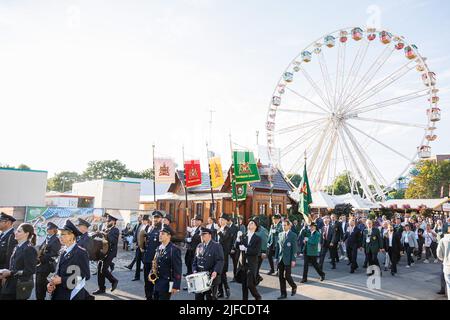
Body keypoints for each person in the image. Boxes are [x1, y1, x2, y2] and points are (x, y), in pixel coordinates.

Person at [47, 220, 91, 300]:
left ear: (72, 236)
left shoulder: (80, 252)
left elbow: (85, 276)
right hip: (58, 293)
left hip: (72, 295)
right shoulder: (62, 251)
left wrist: (62, 280)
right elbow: (58, 272)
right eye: (59, 234)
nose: (59, 237)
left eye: (62, 234)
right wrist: (52, 283)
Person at [0, 223, 37, 300]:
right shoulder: (17, 247)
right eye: (16, 231)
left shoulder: (29, 249)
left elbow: (30, 270)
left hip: (19, 287)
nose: (15, 233)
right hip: (10, 285)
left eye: (19, 231)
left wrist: (10, 273)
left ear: (26, 234)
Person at [192, 227, 224, 300]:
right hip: (199, 278)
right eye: (201, 235)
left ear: (210, 235)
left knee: (211, 298)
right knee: (198, 298)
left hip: (211, 277)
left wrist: (215, 271)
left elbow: (220, 260)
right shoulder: (199, 246)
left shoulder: (216, 246)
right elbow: (195, 261)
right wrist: (194, 270)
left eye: (204, 235)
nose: (202, 236)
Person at [92, 213, 119, 295]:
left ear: (113, 222)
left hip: (110, 252)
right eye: (107, 221)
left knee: (103, 269)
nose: (107, 222)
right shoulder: (105, 228)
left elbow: (111, 240)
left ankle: (114, 280)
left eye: (109, 221)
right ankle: (101, 288)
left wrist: (102, 234)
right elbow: (101, 239)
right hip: (103, 252)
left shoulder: (115, 230)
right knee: (99, 269)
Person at [152, 225, 182, 300]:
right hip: (157, 282)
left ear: (169, 236)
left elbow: (177, 269)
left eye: (162, 234)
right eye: (160, 233)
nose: (160, 235)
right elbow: (155, 263)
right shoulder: (158, 248)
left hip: (167, 283)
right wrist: (151, 273)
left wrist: (176, 286)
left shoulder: (174, 250)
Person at [235, 219, 262, 300]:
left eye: (252, 223)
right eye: (249, 223)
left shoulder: (258, 238)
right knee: (244, 286)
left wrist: (246, 249)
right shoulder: (243, 236)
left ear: (255, 227)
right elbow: (237, 247)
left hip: (252, 264)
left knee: (249, 284)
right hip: (242, 263)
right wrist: (237, 239)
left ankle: (257, 297)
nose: (250, 224)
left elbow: (256, 252)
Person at [35, 222, 61, 300]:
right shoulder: (48, 238)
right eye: (47, 228)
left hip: (46, 265)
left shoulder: (56, 240)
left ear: (53, 230)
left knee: (40, 284)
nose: (47, 229)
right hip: (40, 265)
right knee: (39, 284)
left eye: (49, 228)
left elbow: (53, 254)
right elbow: (41, 249)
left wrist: (41, 259)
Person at [143, 210, 163, 300]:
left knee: (155, 281)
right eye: (154, 217)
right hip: (147, 259)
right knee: (147, 281)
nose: (155, 219)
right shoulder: (149, 228)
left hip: (156, 261)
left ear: (161, 219)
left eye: (157, 218)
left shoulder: (162, 230)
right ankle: (148, 297)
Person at [275, 220, 297, 299]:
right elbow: (278, 247)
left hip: (288, 259)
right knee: (281, 277)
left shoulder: (293, 235)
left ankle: (294, 286)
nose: (283, 227)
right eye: (282, 225)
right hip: (281, 258)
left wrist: (293, 259)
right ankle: (283, 294)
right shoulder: (280, 234)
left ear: (289, 226)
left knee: (287, 276)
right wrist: (276, 257)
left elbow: (294, 248)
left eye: (285, 225)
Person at [127, 215, 149, 281]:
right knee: (138, 261)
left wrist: (144, 247)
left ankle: (148, 276)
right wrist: (136, 243)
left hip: (144, 247)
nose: (143, 221)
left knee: (145, 262)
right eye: (142, 220)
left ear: (147, 221)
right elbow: (137, 235)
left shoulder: (149, 227)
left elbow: (147, 237)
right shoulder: (140, 225)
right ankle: (137, 276)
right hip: (138, 246)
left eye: (144, 220)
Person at [217, 213, 233, 299]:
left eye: (222, 220)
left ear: (226, 221)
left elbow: (224, 239)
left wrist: (219, 232)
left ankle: (227, 289)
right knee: (217, 273)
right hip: (217, 254)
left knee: (222, 273)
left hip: (224, 255)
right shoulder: (219, 228)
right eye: (220, 219)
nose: (220, 221)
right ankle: (220, 291)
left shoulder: (228, 229)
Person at [437, 224, 450, 300]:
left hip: (447, 265)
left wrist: (444, 259)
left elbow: (439, 254)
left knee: (449, 285)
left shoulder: (442, 240)